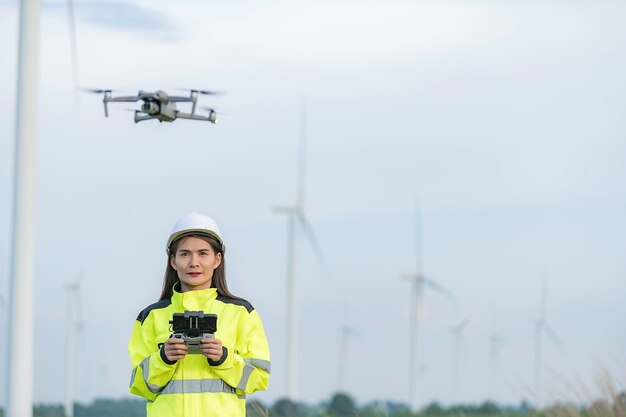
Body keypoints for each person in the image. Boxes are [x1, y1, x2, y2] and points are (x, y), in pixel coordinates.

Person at [128, 212, 271, 417]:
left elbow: (260, 378)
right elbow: (139, 385)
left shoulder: (242, 313)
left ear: (217, 259)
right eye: (185, 254)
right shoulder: (150, 317)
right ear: (173, 261)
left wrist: (223, 358)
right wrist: (163, 359)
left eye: (203, 253)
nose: (194, 262)